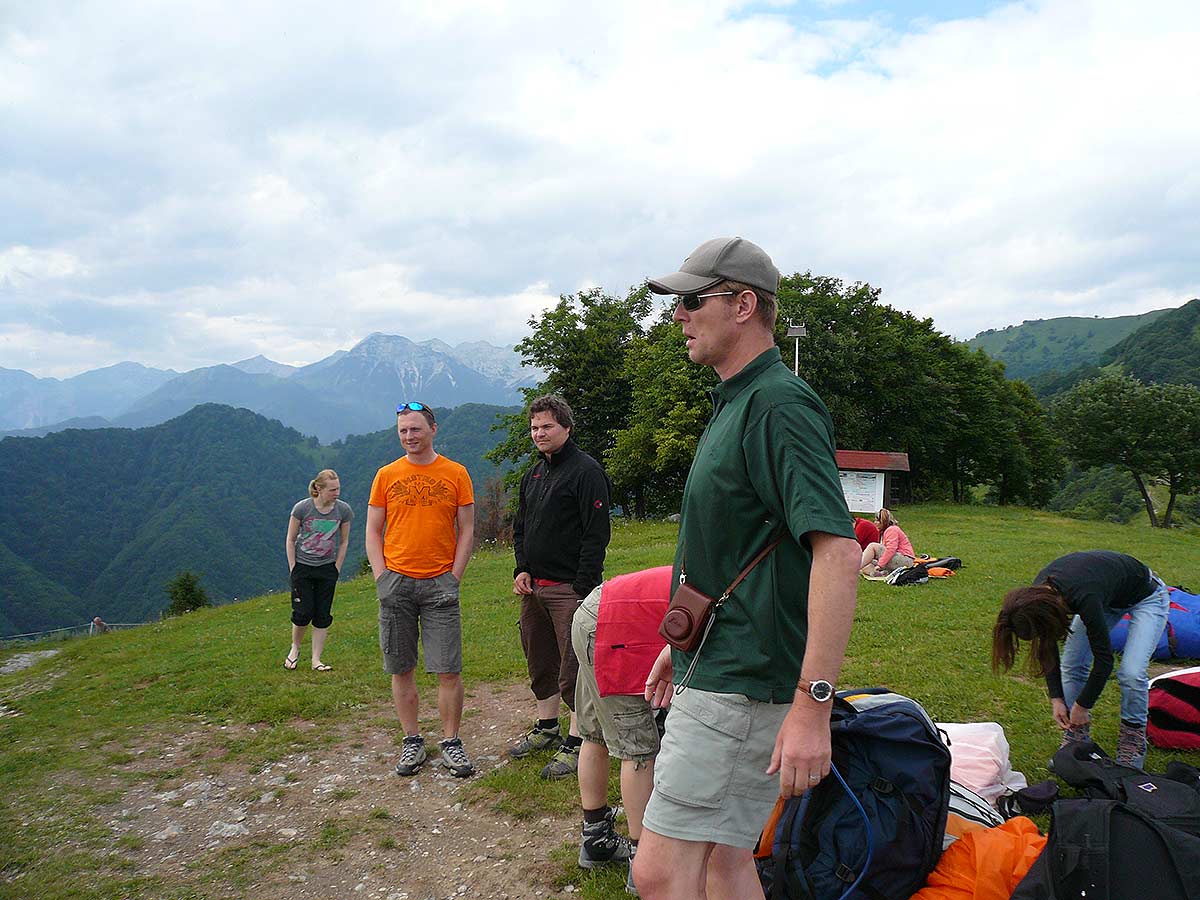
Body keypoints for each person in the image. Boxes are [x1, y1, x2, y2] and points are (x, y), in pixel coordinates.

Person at [634, 237, 861, 900]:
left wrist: (813, 705)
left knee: (659, 874)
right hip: (720, 663)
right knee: (723, 863)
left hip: (743, 684)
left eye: (692, 300)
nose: (678, 315)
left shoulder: (778, 406)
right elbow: (736, 547)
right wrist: (683, 645)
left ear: (743, 305)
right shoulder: (737, 400)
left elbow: (839, 552)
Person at [365, 402, 476, 778]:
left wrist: (454, 576)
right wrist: (381, 577)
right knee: (401, 668)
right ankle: (411, 740)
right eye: (403, 431)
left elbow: (467, 529)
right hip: (396, 583)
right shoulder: (386, 475)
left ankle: (451, 741)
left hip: (440, 583)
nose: (409, 436)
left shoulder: (456, 473)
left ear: (433, 429)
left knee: (448, 669)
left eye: (415, 429)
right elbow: (373, 530)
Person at [510, 394, 612, 780]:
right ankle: (547, 726)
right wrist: (522, 569)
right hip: (534, 588)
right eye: (534, 427)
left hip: (570, 589)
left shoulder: (586, 472)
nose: (539, 433)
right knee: (541, 662)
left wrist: (583, 587)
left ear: (566, 427)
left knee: (574, 669)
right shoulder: (533, 474)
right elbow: (520, 527)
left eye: (547, 426)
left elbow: (596, 534)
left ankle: (577, 740)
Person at [992, 550, 1170, 768]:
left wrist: (1082, 705)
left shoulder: (1084, 595)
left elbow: (1104, 661)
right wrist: (1056, 698)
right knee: (1072, 663)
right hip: (1106, 595)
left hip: (1147, 597)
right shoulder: (1036, 597)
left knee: (1131, 673)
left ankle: (1132, 738)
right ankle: (1077, 737)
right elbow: (1047, 646)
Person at [572, 565, 672, 896]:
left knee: (595, 734)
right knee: (638, 749)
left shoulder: (715, 568)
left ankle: (596, 840)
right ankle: (643, 863)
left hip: (594, 610)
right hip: (616, 629)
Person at [285, 469, 353, 671]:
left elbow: (344, 541)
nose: (337, 493)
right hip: (303, 567)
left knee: (322, 614)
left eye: (338, 489)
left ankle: (316, 660)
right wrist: (293, 568)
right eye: (332, 490)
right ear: (319, 489)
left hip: (327, 568)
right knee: (303, 612)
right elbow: (290, 539)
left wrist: (337, 567)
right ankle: (295, 649)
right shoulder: (302, 508)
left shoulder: (343, 510)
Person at [859, 507, 915, 576]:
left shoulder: (892, 530)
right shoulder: (885, 532)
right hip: (897, 560)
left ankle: (855, 568)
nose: (875, 523)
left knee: (872, 546)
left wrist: (880, 565)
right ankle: (879, 573)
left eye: (877, 521)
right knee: (867, 562)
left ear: (883, 521)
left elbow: (891, 549)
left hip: (905, 560)